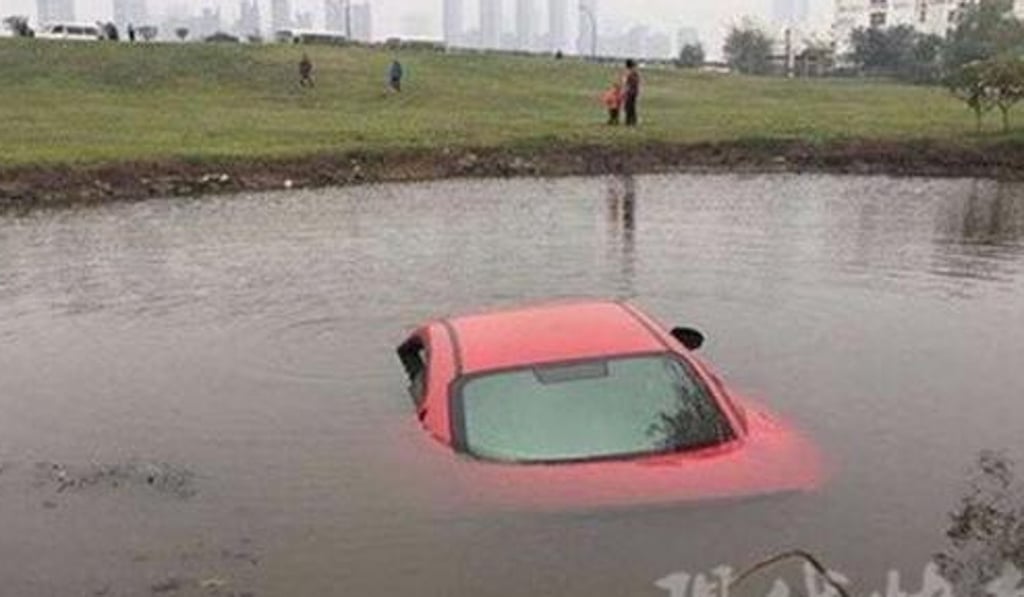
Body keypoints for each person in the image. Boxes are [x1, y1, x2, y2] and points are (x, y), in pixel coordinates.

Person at [622, 59, 641, 127]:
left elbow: (626, 83)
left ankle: (629, 120)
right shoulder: (635, 73)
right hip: (634, 91)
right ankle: (633, 120)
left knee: (628, 106)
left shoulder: (629, 73)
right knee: (631, 106)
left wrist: (624, 91)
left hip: (630, 91)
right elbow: (637, 82)